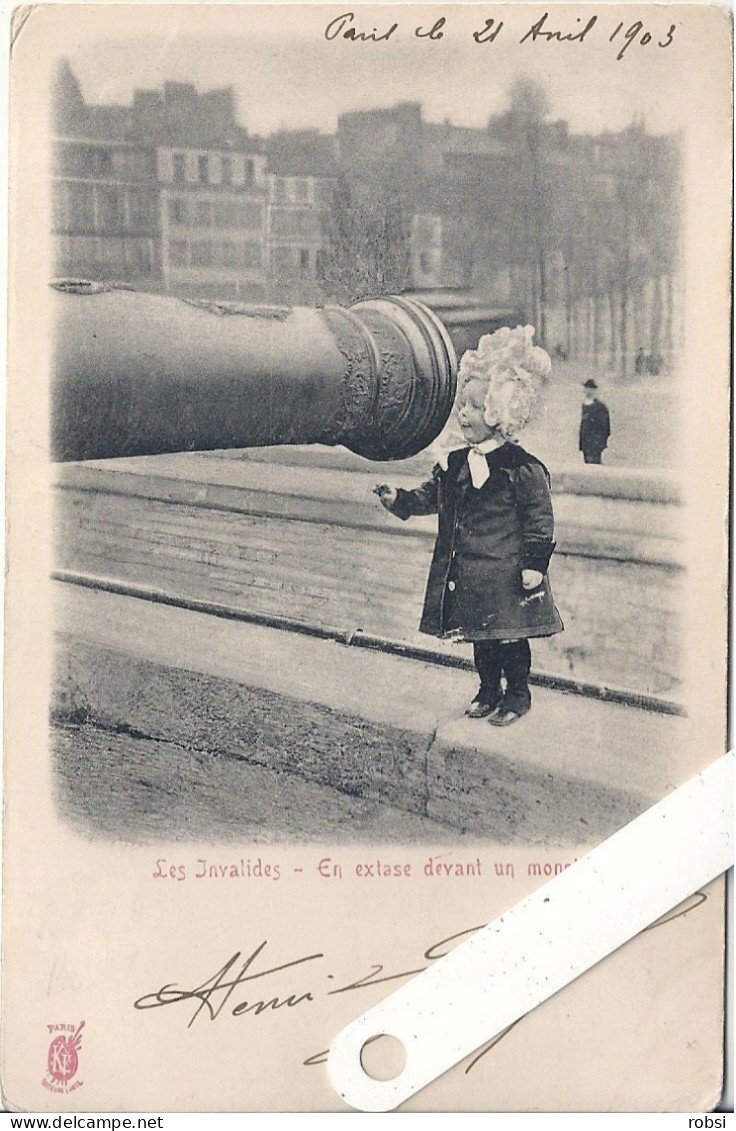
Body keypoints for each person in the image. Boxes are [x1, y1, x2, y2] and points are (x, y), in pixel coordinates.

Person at [375, 325, 563, 727]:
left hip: (508, 576)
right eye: (463, 406)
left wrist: (534, 564)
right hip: (473, 574)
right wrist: (400, 500)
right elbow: (432, 497)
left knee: (510, 637)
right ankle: (487, 690)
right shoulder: (456, 463)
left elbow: (539, 520)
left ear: (500, 411)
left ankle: (517, 695)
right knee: (480, 637)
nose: (463, 414)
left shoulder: (522, 469)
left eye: (474, 408)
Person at [579, 379, 610, 464]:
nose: (588, 391)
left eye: (591, 389)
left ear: (594, 391)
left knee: (595, 464)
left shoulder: (600, 407)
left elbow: (605, 427)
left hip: (595, 443)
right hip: (586, 443)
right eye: (587, 388)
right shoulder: (584, 405)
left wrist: (600, 442)